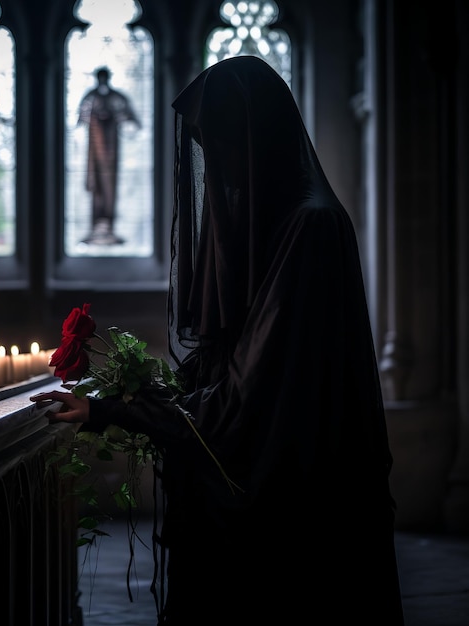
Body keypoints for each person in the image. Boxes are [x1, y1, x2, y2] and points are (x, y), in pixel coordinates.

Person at [36, 56, 405, 624]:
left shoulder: (310, 229)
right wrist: (142, 396)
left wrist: (113, 409)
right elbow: (236, 370)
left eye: (224, 149)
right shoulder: (284, 226)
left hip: (297, 512)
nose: (218, 174)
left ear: (254, 141)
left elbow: (249, 401)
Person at [77, 66, 140, 245]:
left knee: (109, 186)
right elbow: (80, 118)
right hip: (94, 153)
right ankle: (96, 224)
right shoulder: (90, 97)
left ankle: (109, 224)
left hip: (112, 152)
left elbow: (131, 118)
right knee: (96, 186)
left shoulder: (117, 98)